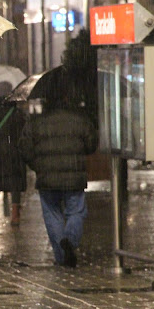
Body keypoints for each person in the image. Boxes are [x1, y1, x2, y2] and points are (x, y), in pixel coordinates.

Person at [18, 97, 98, 268]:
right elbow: (92, 144)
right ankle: (70, 239)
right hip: (74, 175)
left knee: (52, 214)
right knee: (76, 211)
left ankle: (62, 257)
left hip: (47, 176)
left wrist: (38, 166)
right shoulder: (80, 120)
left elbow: (24, 147)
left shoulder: (36, 122)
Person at [0, 96, 26, 225]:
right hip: (13, 153)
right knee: (15, 182)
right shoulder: (17, 114)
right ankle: (15, 214)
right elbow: (23, 134)